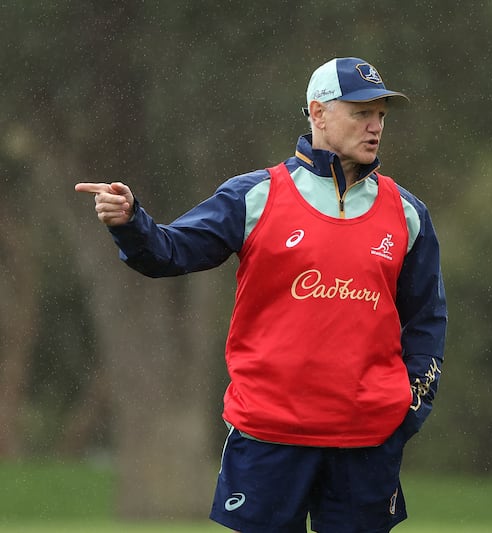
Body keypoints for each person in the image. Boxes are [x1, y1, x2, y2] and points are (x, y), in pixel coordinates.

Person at [76, 57, 447, 533]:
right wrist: (131, 222)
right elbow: (169, 252)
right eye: (360, 113)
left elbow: (425, 321)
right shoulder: (255, 195)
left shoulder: (407, 213)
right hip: (269, 434)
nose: (375, 126)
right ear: (318, 113)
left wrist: (408, 408)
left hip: (367, 441)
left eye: (380, 115)